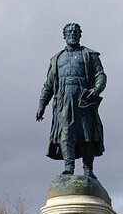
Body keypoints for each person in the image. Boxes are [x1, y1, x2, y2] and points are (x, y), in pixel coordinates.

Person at [36, 22, 106, 178]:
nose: (72, 34)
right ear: (64, 35)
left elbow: (100, 75)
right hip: (64, 101)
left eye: (75, 32)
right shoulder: (57, 59)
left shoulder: (89, 55)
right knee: (66, 134)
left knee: (87, 134)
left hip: (84, 100)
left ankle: (88, 169)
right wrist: (41, 105)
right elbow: (48, 85)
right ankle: (69, 168)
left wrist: (96, 90)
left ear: (80, 35)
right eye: (69, 32)